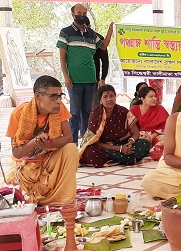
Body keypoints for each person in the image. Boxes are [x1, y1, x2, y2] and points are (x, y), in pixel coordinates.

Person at [5, 75, 78, 205]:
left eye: (60, 96)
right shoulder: (18, 113)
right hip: (25, 166)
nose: (58, 101)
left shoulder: (59, 109)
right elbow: (16, 153)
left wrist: (49, 143)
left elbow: (68, 137)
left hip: (49, 161)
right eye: (53, 97)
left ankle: (60, 198)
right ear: (38, 96)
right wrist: (35, 142)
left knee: (71, 149)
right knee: (10, 194)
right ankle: (37, 198)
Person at [57, 3, 112, 145]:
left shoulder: (91, 34)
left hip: (90, 80)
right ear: (73, 14)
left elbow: (104, 46)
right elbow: (62, 57)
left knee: (87, 112)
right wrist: (66, 76)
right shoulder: (66, 32)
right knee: (74, 113)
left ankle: (86, 144)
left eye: (84, 13)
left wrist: (111, 30)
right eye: (79, 12)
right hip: (74, 80)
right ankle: (73, 143)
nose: (82, 15)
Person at [79, 85, 150, 168]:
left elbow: (136, 133)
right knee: (89, 153)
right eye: (105, 97)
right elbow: (95, 142)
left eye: (111, 96)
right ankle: (126, 158)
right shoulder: (95, 114)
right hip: (103, 146)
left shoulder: (123, 111)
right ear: (100, 100)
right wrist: (120, 149)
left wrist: (129, 143)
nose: (109, 99)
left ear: (115, 97)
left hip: (122, 143)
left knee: (145, 143)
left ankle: (121, 158)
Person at [84, 17, 114, 110]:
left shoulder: (98, 38)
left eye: (85, 27)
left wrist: (103, 78)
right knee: (78, 110)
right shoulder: (73, 39)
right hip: (76, 80)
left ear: (89, 26)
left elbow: (105, 60)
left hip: (94, 79)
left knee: (93, 108)